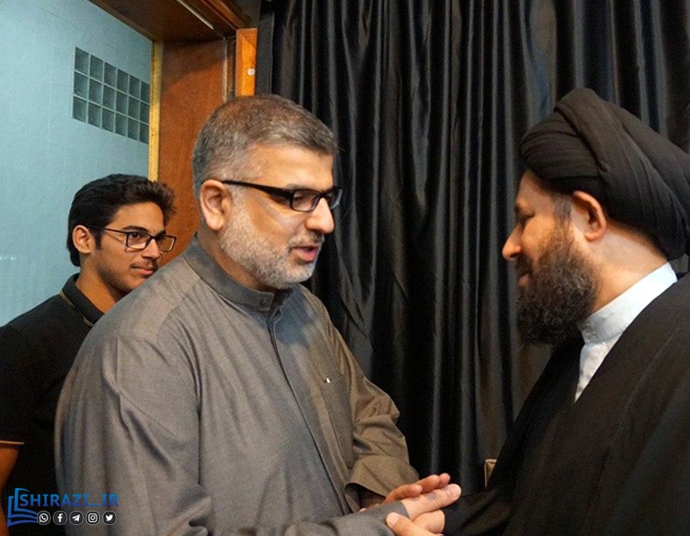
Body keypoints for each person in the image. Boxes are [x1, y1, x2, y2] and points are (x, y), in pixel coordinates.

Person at [386, 88, 690, 536]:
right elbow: (539, 509)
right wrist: (441, 521)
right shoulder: (582, 353)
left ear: (589, 217)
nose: (510, 246)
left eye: (525, 219)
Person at [55, 94, 457, 535]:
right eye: (296, 197)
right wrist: (370, 530)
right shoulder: (140, 348)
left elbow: (370, 413)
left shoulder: (304, 308)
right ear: (217, 203)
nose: (325, 222)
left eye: (326, 198)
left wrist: (381, 498)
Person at [0, 174, 176, 535]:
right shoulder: (27, 341)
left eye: (158, 239)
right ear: (84, 239)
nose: (153, 252)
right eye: (135, 236)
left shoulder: (158, 335)